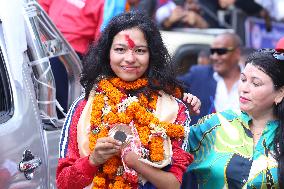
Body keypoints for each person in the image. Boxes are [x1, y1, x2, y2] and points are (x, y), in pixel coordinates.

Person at [56, 11, 201, 189]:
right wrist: (93, 160)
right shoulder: (84, 105)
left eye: (140, 50)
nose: (130, 59)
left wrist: (136, 163)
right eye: (120, 49)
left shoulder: (174, 108)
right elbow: (63, 183)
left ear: (152, 55)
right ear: (107, 54)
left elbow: (174, 184)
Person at [181, 48, 284, 188]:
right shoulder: (217, 124)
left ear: (279, 93)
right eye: (243, 80)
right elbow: (168, 146)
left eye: (256, 83)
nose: (244, 88)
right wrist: (181, 113)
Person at [178, 32, 242, 124]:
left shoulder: (252, 79)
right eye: (212, 52)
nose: (214, 57)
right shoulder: (198, 75)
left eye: (221, 52)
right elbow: (169, 87)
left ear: (237, 53)